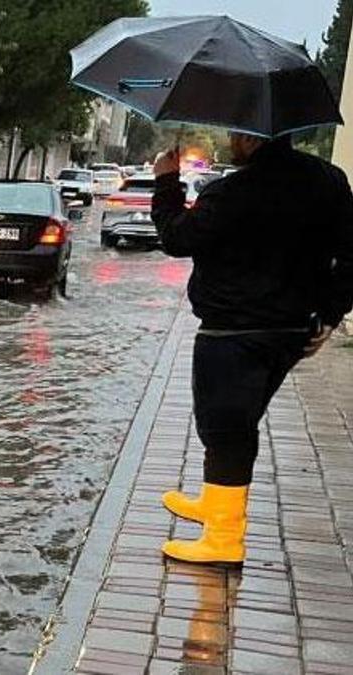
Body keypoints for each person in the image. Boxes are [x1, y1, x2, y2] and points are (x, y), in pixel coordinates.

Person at [151, 132, 353, 565]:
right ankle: (217, 500)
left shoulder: (233, 191)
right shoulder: (329, 181)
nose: (230, 140)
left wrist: (166, 181)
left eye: (235, 135)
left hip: (232, 332)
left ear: (250, 136)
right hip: (290, 330)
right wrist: (330, 314)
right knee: (236, 424)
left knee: (225, 429)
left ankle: (223, 539)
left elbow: (177, 238)